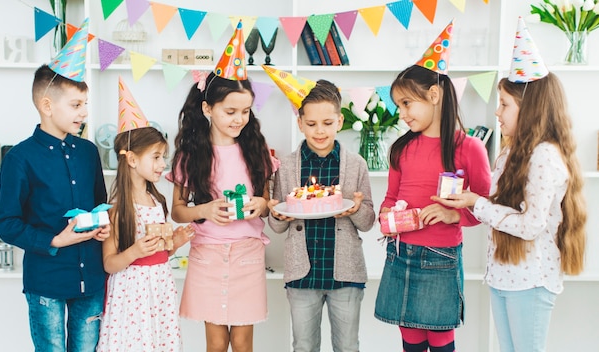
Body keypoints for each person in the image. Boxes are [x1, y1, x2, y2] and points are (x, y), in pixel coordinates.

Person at [432, 18, 586, 352]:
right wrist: (463, 202)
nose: (497, 112)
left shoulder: (545, 155)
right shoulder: (510, 152)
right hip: (504, 275)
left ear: (528, 107)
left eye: (504, 104)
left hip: (530, 280)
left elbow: (530, 225)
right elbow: (498, 208)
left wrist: (476, 202)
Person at [373, 21, 492, 352]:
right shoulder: (400, 148)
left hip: (441, 257)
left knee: (440, 338)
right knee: (410, 338)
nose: (402, 113)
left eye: (407, 104)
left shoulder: (469, 147)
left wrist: (455, 216)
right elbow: (392, 196)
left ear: (434, 95)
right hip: (400, 254)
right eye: (399, 106)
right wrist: (387, 214)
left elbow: (484, 205)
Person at [0, 19, 111, 351]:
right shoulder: (20, 158)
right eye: (76, 105)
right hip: (45, 282)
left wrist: (102, 226)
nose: (84, 113)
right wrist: (56, 239)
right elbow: (6, 223)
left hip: (91, 280)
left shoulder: (89, 152)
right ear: (47, 106)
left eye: (85, 104)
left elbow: (99, 204)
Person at [167, 21, 276, 352]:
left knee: (243, 343)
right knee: (215, 343)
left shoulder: (256, 149)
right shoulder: (191, 155)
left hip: (247, 253)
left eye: (245, 111)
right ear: (207, 109)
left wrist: (263, 204)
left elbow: (268, 199)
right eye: (230, 111)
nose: (239, 119)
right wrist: (206, 210)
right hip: (207, 256)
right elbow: (177, 211)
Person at [264, 65, 376, 352]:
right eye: (311, 124)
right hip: (302, 274)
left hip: (346, 274)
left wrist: (355, 210)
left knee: (348, 346)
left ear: (339, 121)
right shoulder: (287, 166)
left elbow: (367, 221)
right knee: (303, 346)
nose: (320, 131)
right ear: (300, 123)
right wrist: (275, 212)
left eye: (327, 123)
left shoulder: (356, 165)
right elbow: (278, 225)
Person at [97, 78, 195, 351]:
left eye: (163, 156)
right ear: (131, 159)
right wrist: (135, 252)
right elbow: (109, 263)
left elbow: (160, 252)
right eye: (156, 157)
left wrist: (173, 244)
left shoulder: (157, 200)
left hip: (159, 288)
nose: (162, 164)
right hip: (131, 294)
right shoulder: (118, 207)